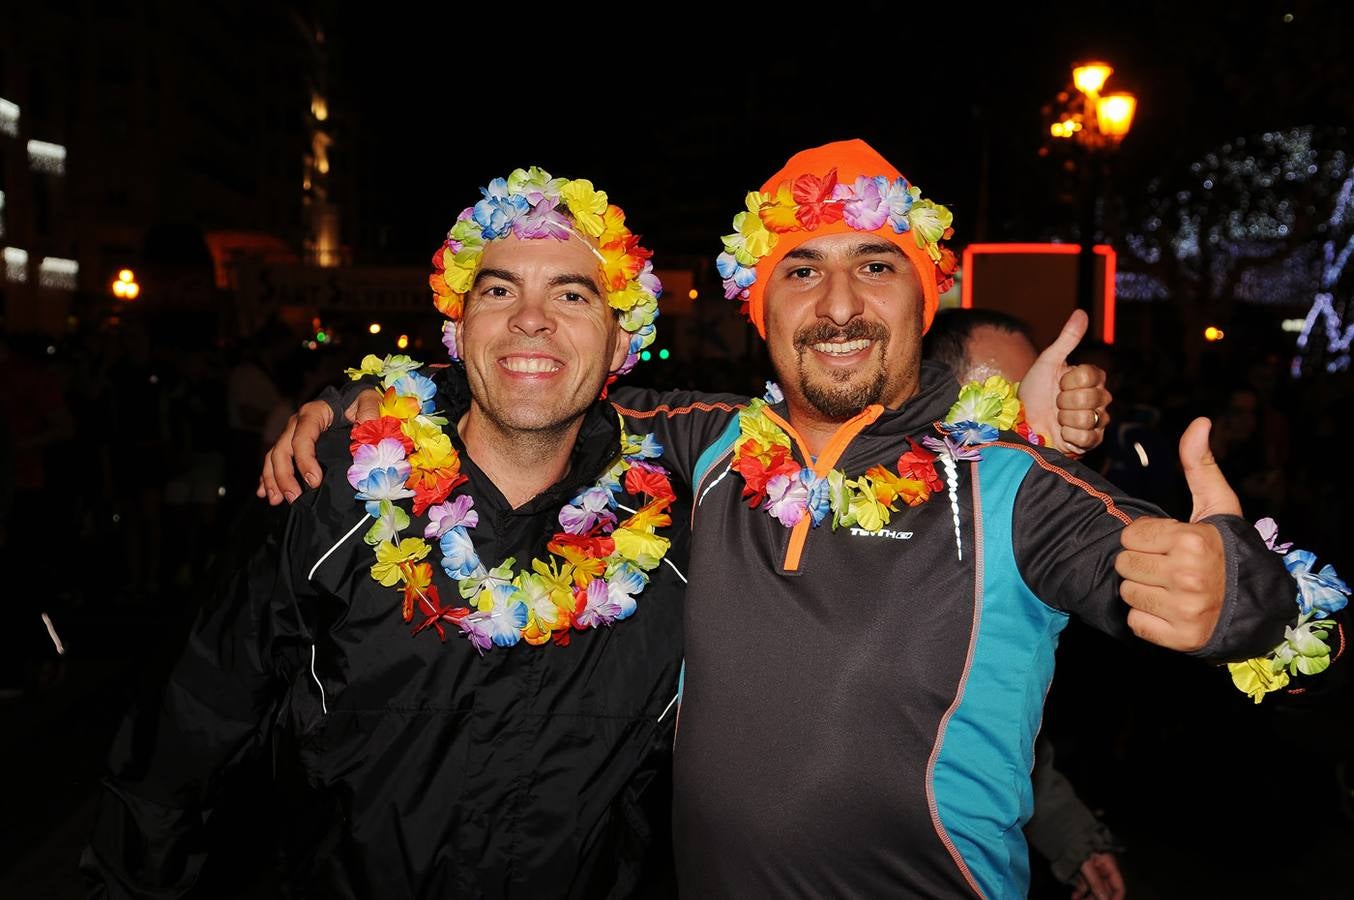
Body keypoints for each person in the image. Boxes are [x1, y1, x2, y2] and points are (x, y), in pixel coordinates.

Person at [259, 141, 1334, 897]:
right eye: (801, 272)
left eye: (876, 268)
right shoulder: (700, 441)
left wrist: (1239, 590)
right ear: (760, 310)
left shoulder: (1014, 487)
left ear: (925, 302)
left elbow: (1271, 619)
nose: (836, 304)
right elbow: (536, 383)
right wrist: (354, 402)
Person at [83, 168, 691, 899]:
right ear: (459, 329)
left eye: (571, 293)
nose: (531, 318)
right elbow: (187, 734)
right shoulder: (332, 494)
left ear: (622, 337)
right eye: (499, 291)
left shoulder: (678, 536)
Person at [925, 307, 1127, 900]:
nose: (1025, 421)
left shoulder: (1018, 522)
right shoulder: (850, 507)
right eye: (1003, 401)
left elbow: (998, 725)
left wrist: (1071, 836)